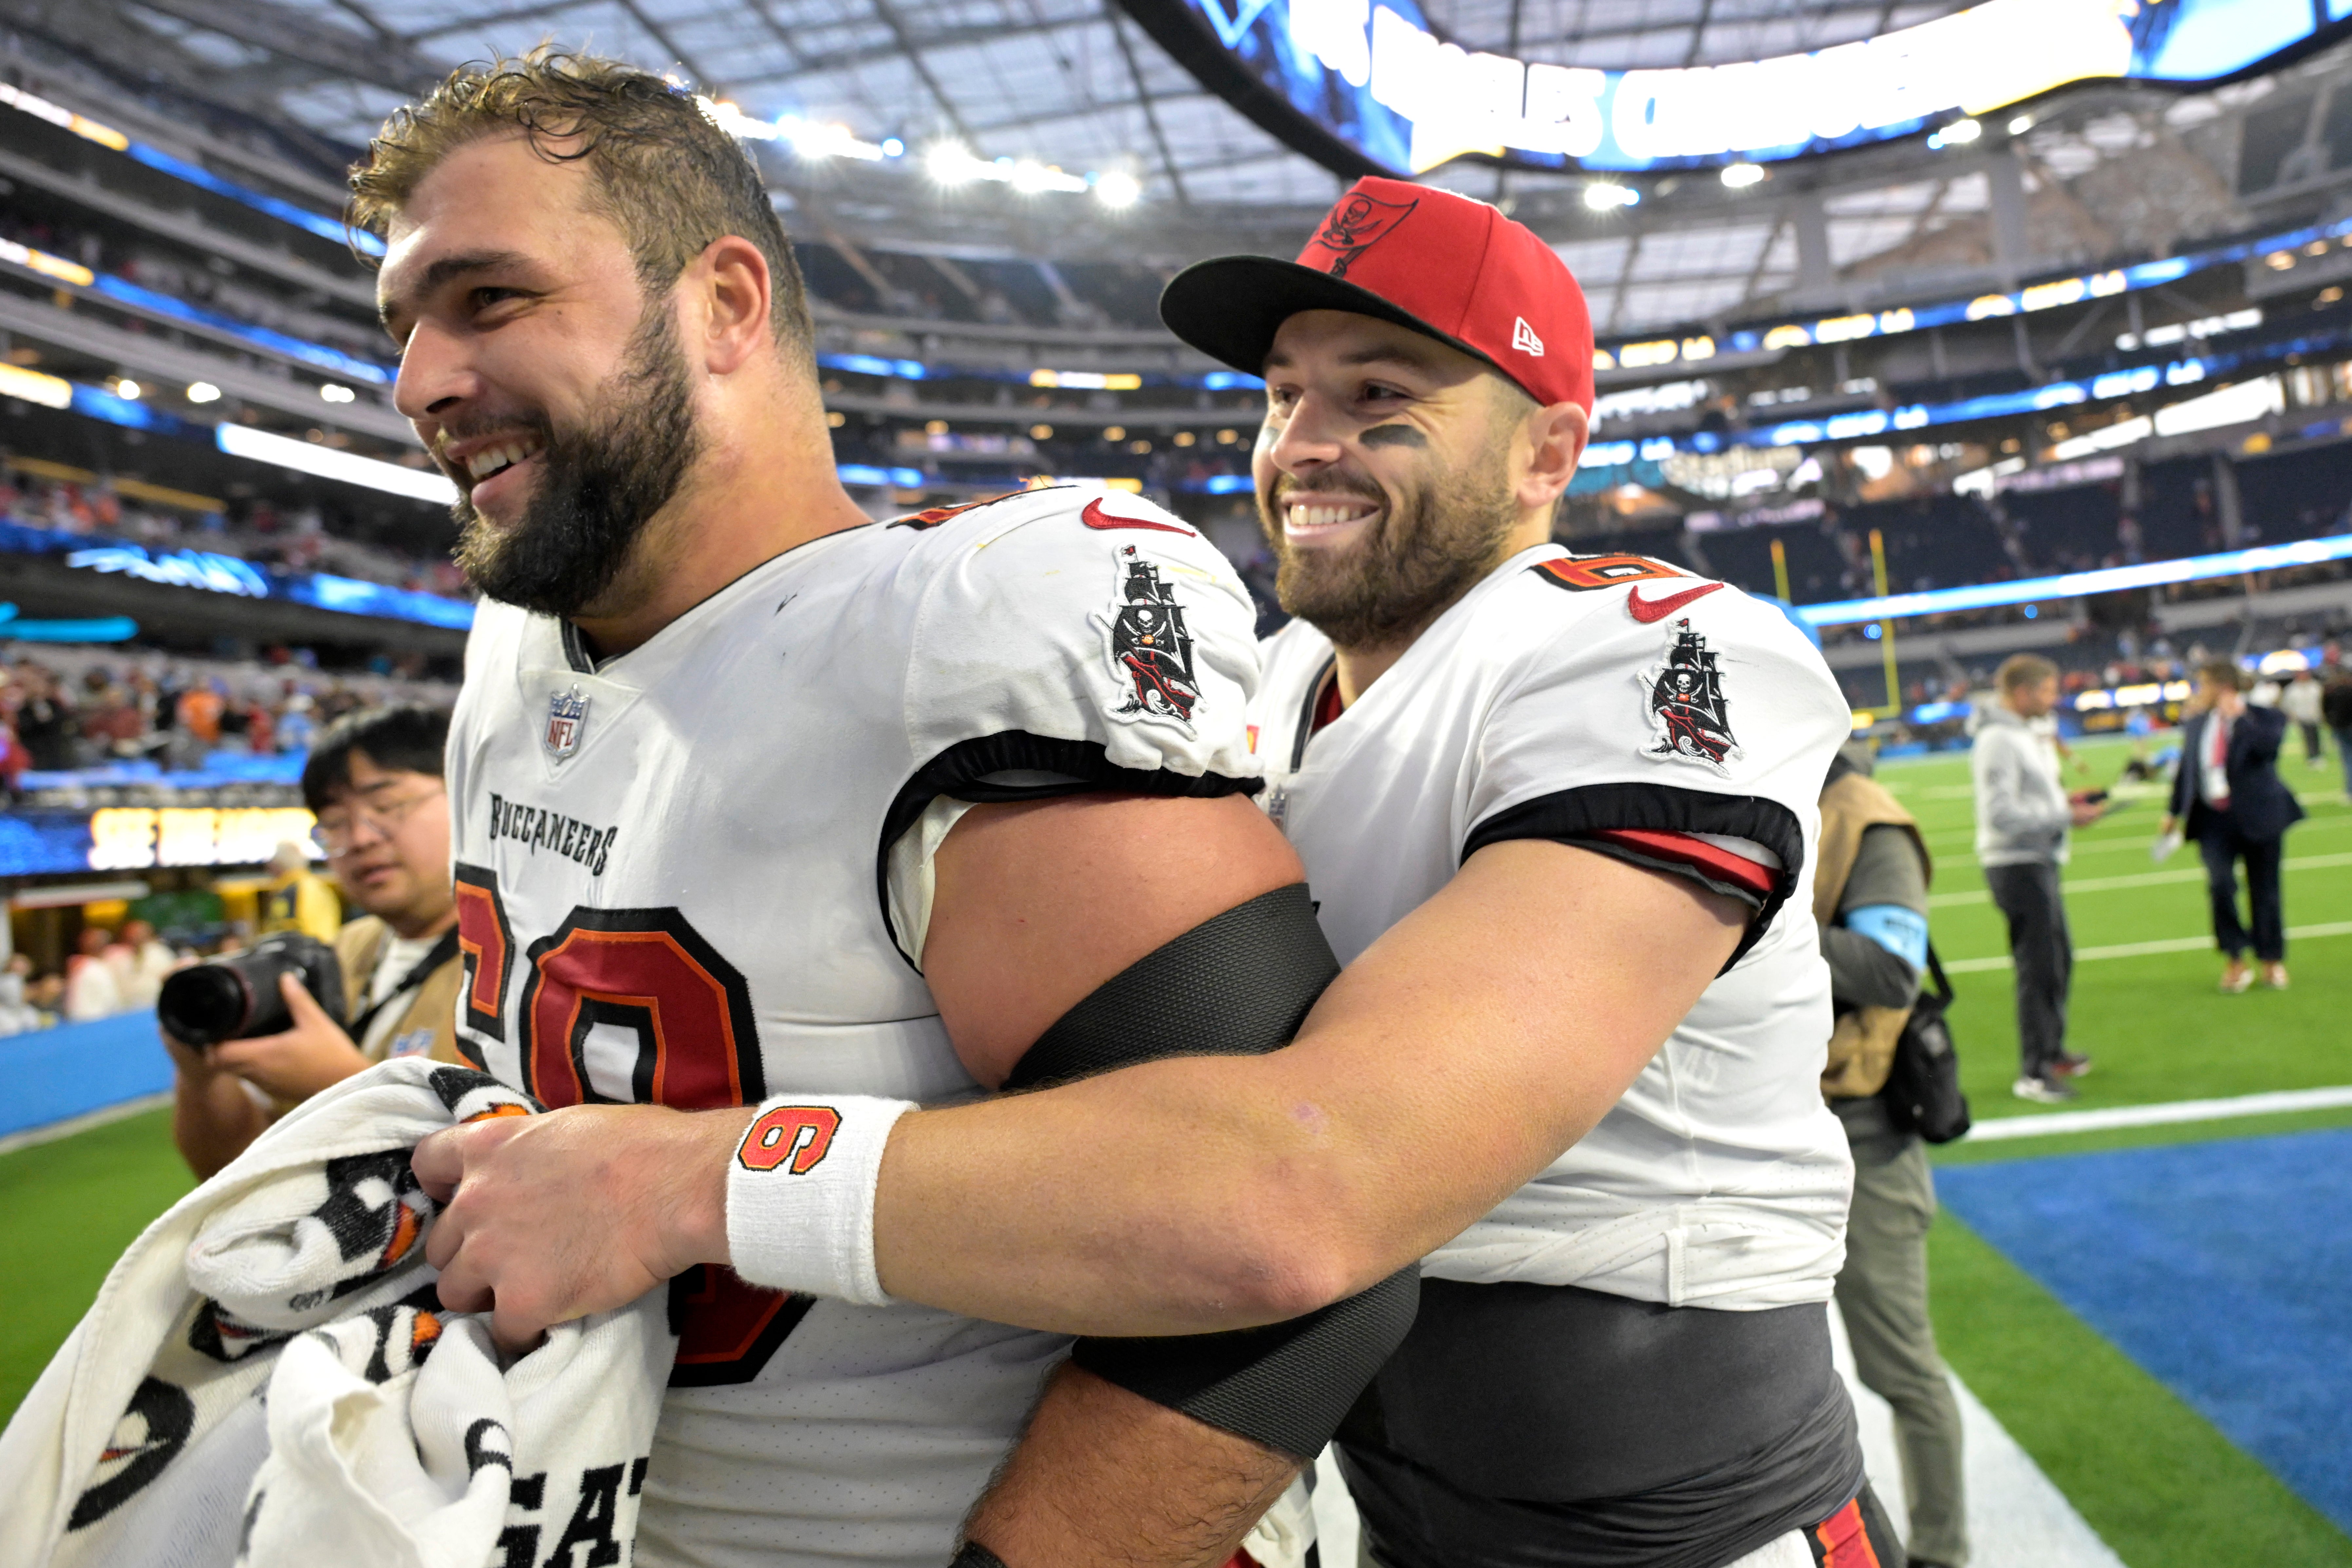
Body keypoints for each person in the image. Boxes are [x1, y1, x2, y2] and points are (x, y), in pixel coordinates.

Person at [416, 171, 1891, 1566]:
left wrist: (698, 1177)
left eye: (1380, 396)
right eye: (1284, 391)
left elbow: (1317, 1185)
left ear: (1547, 452)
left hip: (1692, 1526)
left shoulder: (1649, 649)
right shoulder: (1270, 678)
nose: (1304, 442)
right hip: (1404, 1512)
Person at [348, 50, 1395, 1568]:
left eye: (488, 300)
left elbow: (1297, 1259)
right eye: (403, 327)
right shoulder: (514, 638)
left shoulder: (952, 635)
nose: (420, 382)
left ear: (724, 305)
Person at [164, 705, 469, 1178]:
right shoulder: (338, 954)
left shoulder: (525, 956)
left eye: (386, 806)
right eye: (333, 822)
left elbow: (516, 1168)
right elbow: (228, 1169)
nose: (361, 838)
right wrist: (200, 1076)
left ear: (467, 793)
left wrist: (338, 1086)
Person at [1816, 745, 1967, 1568]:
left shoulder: (1867, 818)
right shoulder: (1785, 805)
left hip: (1863, 1135)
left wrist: (1747, 914)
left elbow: (1891, 969)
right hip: (1774, 1133)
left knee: (1902, 1370)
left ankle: (1942, 1552)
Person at [1972, 653, 2102, 1103]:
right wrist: (2065, 813)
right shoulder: (1999, 740)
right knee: (2038, 968)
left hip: (2035, 859)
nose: (2054, 698)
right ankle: (2034, 1071)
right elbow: (2000, 813)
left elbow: (2027, 799)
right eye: (2048, 690)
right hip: (2016, 864)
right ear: (2024, 692)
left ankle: (2051, 1050)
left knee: (2058, 961)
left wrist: (2065, 800)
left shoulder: (2021, 734)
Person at [2162, 660, 2305, 992]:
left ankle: (2271, 960)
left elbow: (2267, 751)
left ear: (2222, 686)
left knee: (2266, 891)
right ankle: (2235, 958)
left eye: (2205, 684)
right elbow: (2188, 769)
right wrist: (2173, 812)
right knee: (2220, 886)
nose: (2200, 692)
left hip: (2260, 816)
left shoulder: (2263, 716)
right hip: (2214, 820)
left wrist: (2238, 719)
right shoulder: (2197, 723)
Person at [255, 838, 342, 943]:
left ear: (279, 865)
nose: (269, 871)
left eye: (271, 865)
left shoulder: (297, 891)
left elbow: (297, 929)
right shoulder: (313, 886)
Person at [61, 925, 121, 1021]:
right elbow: (110, 1000)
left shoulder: (81, 966)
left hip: (79, 1020)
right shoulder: (96, 970)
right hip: (95, 1022)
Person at [2279, 667, 2325, 768]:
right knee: (2308, 737)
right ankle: (2313, 756)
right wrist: (2292, 716)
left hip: (2316, 717)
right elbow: (2287, 705)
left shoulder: (2315, 687)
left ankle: (2318, 755)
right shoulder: (2292, 689)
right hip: (2302, 717)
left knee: (2316, 736)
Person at [2325, 665, 2352, 805]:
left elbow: (2326, 709)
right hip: (2344, 728)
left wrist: (2331, 725)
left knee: (2348, 759)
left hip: (2341, 729)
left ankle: (2350, 791)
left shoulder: (2332, 691)